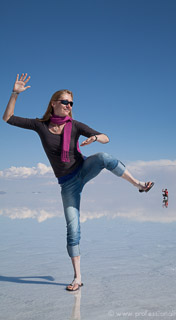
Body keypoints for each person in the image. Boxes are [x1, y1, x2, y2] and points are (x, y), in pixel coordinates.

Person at [3, 73, 154, 291]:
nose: (69, 106)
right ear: (53, 104)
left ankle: (139, 185)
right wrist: (15, 93)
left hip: (83, 169)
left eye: (71, 103)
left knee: (103, 157)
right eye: (65, 102)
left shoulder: (74, 125)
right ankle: (77, 278)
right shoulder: (40, 126)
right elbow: (7, 118)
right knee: (73, 228)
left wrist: (94, 137)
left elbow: (106, 137)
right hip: (67, 183)